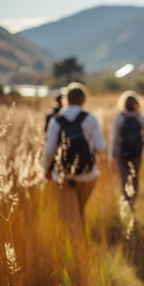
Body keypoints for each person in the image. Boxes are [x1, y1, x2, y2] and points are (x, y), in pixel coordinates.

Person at [42, 82, 106, 240]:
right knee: (79, 211)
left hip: (64, 177)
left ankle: (76, 255)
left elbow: (49, 150)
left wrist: (46, 170)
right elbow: (101, 146)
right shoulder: (90, 119)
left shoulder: (56, 121)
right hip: (88, 175)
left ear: (66, 99)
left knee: (71, 217)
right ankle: (82, 246)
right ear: (84, 100)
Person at [109, 90, 144, 208]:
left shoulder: (119, 118)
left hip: (122, 153)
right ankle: (132, 202)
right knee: (135, 177)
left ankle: (126, 200)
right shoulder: (141, 117)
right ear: (137, 103)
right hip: (137, 153)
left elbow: (114, 138)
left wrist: (112, 157)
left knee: (124, 178)